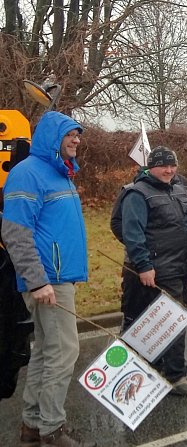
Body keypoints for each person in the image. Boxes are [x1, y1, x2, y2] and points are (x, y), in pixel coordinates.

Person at [2, 111, 96, 446]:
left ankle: (32, 427)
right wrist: (38, 281)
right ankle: (52, 429)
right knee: (64, 351)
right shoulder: (28, 173)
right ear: (51, 137)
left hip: (59, 278)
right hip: (47, 280)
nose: (76, 140)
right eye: (70, 134)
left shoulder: (62, 174)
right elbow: (15, 232)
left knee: (45, 350)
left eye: (78, 135)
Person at [120, 147, 187, 397]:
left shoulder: (180, 188)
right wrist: (144, 265)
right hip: (157, 271)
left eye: (173, 165)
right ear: (150, 167)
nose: (169, 170)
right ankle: (176, 375)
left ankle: (163, 364)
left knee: (173, 318)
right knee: (172, 321)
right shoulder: (138, 193)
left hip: (181, 266)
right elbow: (131, 234)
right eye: (163, 166)